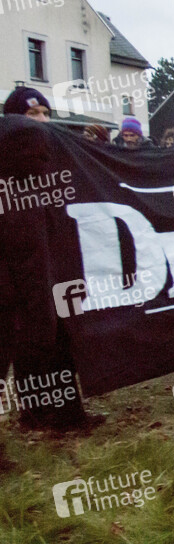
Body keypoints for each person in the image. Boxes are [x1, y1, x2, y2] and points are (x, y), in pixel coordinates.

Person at [0, 115, 104, 432]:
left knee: (55, 349)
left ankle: (61, 415)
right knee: (32, 352)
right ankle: (41, 415)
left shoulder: (42, 186)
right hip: (20, 296)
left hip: (43, 289)